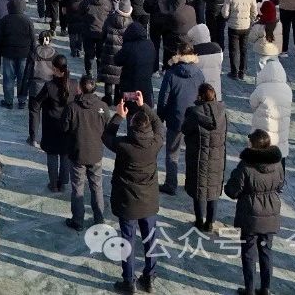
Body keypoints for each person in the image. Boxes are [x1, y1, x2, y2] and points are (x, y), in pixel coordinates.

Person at [102, 93, 164, 294]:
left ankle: (129, 281)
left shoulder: (124, 146)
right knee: (150, 239)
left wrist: (118, 115)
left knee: (128, 240)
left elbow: (106, 137)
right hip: (149, 201)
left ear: (132, 126)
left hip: (128, 201)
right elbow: (159, 126)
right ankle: (150, 277)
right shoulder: (155, 143)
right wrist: (144, 106)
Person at [224, 129, 285, 295]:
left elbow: (232, 191)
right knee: (266, 251)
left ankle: (249, 290)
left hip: (250, 216)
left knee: (249, 253)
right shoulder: (277, 164)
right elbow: (280, 185)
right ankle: (266, 289)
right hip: (271, 213)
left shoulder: (246, 166)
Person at [157, 42, 205, 195]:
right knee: (192, 153)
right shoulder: (199, 74)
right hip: (194, 119)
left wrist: (160, 116)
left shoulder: (171, 73)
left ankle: (171, 184)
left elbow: (163, 98)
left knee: (172, 153)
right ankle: (191, 183)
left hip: (175, 118)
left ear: (178, 54)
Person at [63, 76, 111, 229]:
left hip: (77, 153)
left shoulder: (72, 107)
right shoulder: (102, 106)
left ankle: (78, 221)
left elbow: (65, 128)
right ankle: (99, 218)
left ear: (81, 88)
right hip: (96, 153)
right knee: (97, 186)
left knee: (78, 187)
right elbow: (108, 127)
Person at [182, 83, 226, 232]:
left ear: (200, 96)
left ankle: (199, 221)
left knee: (199, 189)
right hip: (217, 158)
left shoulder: (194, 113)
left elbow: (185, 129)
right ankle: (210, 222)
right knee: (213, 189)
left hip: (198, 156)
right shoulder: (222, 112)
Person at [34, 55, 77, 193]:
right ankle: (63, 183)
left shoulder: (49, 86)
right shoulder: (74, 84)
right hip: (68, 126)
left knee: (52, 155)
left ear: (55, 69)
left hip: (51, 126)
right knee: (65, 155)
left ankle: (53, 184)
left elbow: (36, 103)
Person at [250, 40, 293, 162]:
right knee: (279, 158)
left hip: (263, 134)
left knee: (262, 159)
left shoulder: (261, 89)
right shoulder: (287, 89)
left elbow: (252, 104)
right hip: (281, 133)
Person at [0, 0, 34, 108]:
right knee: (22, 78)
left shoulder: (4, 20)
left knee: (8, 78)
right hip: (24, 54)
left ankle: (8, 101)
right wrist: (33, 52)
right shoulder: (27, 20)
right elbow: (32, 38)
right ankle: (22, 101)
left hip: (8, 53)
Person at [222, 0, 258, 80]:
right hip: (246, 26)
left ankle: (234, 72)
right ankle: (242, 72)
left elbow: (225, 13)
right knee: (244, 49)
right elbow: (254, 13)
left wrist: (228, 17)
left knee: (233, 50)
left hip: (233, 26)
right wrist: (250, 20)